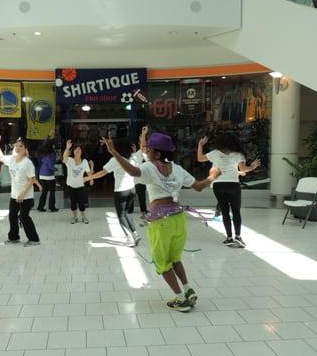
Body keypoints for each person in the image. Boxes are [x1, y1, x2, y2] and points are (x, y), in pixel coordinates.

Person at [102, 133, 220, 312]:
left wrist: (114, 152)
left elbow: (134, 171)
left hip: (160, 222)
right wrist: (212, 176)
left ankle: (181, 300)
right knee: (175, 259)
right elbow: (198, 186)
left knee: (162, 263)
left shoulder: (149, 167)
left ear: (157, 154)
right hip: (179, 219)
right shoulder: (178, 169)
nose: (146, 152)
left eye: (149, 149)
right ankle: (188, 290)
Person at [197, 134, 260, 248]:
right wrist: (252, 167)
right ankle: (238, 237)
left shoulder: (215, 153)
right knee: (236, 211)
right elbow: (243, 169)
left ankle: (229, 238)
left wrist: (200, 145)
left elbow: (200, 158)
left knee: (225, 211)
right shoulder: (238, 155)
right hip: (233, 185)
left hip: (218, 185)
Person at [85, 142, 140, 247]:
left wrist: (89, 177)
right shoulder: (134, 157)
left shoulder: (116, 160)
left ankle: (129, 238)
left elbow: (103, 172)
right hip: (132, 189)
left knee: (121, 216)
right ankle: (135, 234)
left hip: (121, 191)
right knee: (127, 213)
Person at [0, 135, 40, 246]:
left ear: (25, 149)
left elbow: (32, 179)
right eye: (17, 146)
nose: (18, 148)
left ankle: (34, 239)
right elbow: (0, 157)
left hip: (26, 197)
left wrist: (23, 193)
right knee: (12, 216)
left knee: (24, 217)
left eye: (21, 146)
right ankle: (14, 238)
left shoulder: (27, 163)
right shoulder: (12, 160)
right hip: (14, 195)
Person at [63, 140, 93, 224]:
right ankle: (75, 217)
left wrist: (91, 179)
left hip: (80, 186)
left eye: (79, 149)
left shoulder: (84, 162)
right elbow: (64, 158)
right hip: (70, 186)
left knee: (81, 203)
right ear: (73, 151)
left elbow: (88, 172)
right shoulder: (69, 160)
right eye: (76, 149)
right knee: (73, 203)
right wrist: (67, 148)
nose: (77, 150)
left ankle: (84, 217)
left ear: (81, 152)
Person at [37, 131, 58, 212]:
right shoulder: (52, 154)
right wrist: (55, 169)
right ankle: (52, 207)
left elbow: (45, 143)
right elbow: (50, 166)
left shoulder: (43, 152)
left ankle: (40, 207)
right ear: (52, 146)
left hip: (41, 175)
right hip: (49, 175)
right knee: (52, 191)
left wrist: (48, 136)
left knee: (44, 192)